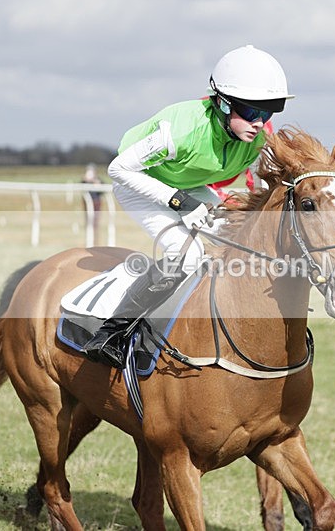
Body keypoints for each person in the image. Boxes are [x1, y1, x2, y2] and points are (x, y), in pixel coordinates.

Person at [83, 45, 294, 364]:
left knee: (240, 241)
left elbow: (260, 188)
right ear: (223, 104)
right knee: (187, 256)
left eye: (268, 113)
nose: (259, 123)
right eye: (251, 112)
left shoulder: (259, 136)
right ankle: (112, 332)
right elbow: (119, 169)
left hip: (187, 184)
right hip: (140, 181)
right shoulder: (180, 129)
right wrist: (179, 201)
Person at [81, 163, 103, 242]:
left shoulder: (98, 180)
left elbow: (102, 191)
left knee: (95, 222)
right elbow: (81, 187)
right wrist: (86, 180)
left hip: (96, 203)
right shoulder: (84, 180)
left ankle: (95, 239)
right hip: (87, 204)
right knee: (88, 221)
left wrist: (95, 181)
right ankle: (89, 238)